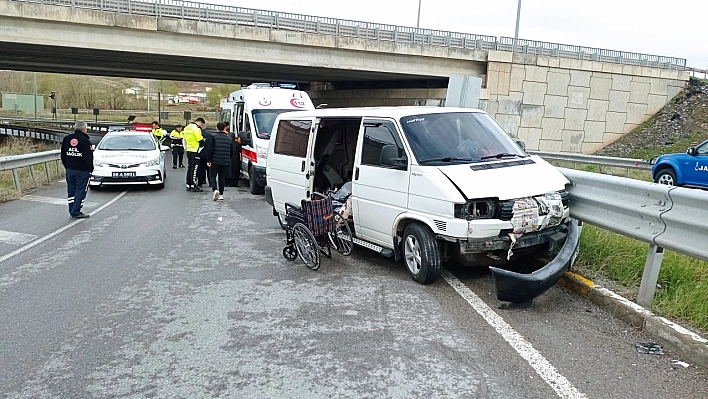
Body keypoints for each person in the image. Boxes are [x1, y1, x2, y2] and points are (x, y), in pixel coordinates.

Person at [60, 120, 93, 219]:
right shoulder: (86, 141)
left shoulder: (66, 139)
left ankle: (72, 210)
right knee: (81, 190)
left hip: (70, 169)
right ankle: (76, 211)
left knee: (71, 191)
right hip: (82, 171)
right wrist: (90, 169)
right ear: (84, 129)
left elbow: (63, 155)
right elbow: (89, 158)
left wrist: (67, 165)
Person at [205, 122, 234, 201]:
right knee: (222, 178)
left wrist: (209, 160)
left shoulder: (213, 137)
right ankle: (221, 194)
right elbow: (231, 151)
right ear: (225, 128)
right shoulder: (229, 138)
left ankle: (215, 190)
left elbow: (210, 149)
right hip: (225, 161)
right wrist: (228, 158)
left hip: (215, 160)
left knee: (212, 176)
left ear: (216, 128)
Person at [183, 118, 206, 192]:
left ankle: (188, 184)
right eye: (202, 124)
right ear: (200, 122)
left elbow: (184, 139)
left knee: (190, 167)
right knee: (195, 168)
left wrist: (185, 148)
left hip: (189, 149)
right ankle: (193, 185)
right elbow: (200, 140)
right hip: (195, 150)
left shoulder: (187, 127)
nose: (202, 126)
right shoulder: (196, 128)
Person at [225, 122, 242, 187]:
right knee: (234, 171)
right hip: (235, 159)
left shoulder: (227, 142)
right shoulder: (236, 143)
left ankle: (226, 182)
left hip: (228, 159)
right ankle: (233, 183)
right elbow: (240, 149)